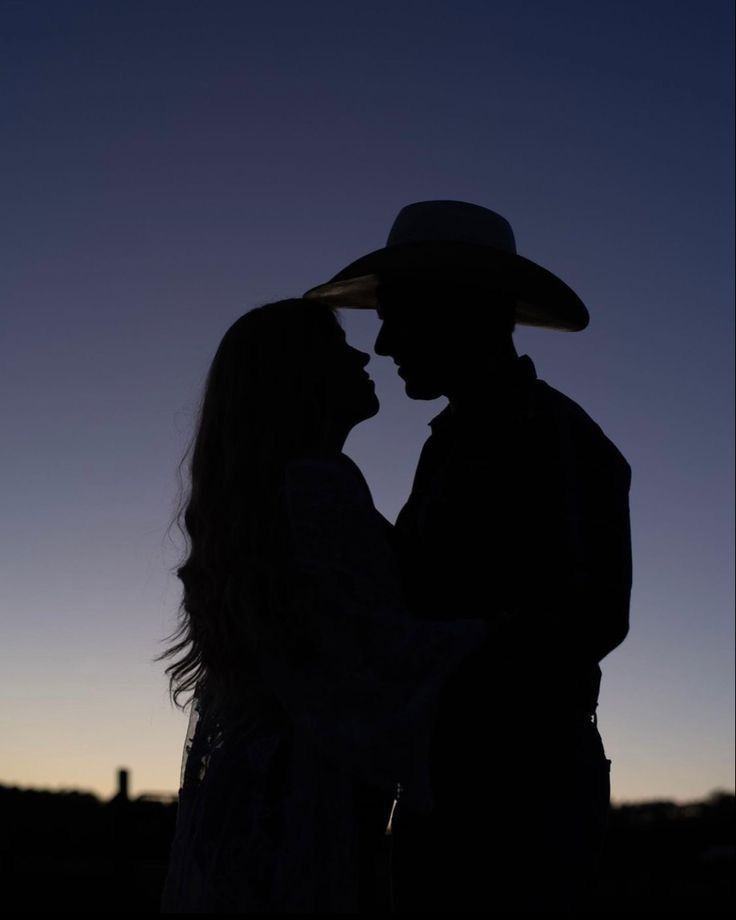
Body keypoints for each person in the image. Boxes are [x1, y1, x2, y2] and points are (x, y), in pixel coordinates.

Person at [304, 200, 633, 912]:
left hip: (518, 795)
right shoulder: (452, 441)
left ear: (460, 310)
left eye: (398, 315)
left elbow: (590, 614)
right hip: (452, 783)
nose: (384, 343)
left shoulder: (554, 436)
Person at [157, 298, 486, 913]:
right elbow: (370, 662)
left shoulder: (268, 495)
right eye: (338, 347)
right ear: (296, 374)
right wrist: (501, 635)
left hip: (255, 807)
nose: (365, 354)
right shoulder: (316, 484)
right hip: (298, 811)